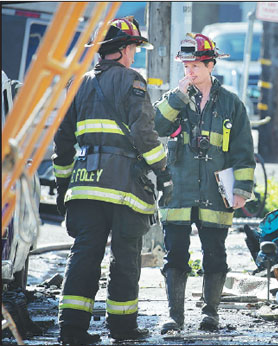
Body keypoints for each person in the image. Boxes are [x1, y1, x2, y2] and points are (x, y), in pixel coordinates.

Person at [52, 16, 171, 344]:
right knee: (125, 258)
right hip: (124, 190)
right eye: (133, 47)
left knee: (84, 255)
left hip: (85, 185)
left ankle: (71, 330)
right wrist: (164, 172)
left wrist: (65, 187)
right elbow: (144, 134)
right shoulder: (133, 81)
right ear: (120, 50)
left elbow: (62, 143)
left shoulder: (77, 85)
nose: (134, 54)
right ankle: (122, 329)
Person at [154, 33, 255, 333]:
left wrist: (241, 190)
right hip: (179, 191)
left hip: (214, 192)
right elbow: (156, 126)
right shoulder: (176, 99)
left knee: (215, 254)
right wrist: (177, 96)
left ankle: (210, 313)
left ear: (211, 65)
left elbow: (243, 150)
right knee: (175, 255)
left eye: (197, 65)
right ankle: (175, 317)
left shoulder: (231, 104)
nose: (190, 72)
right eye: (186, 66)